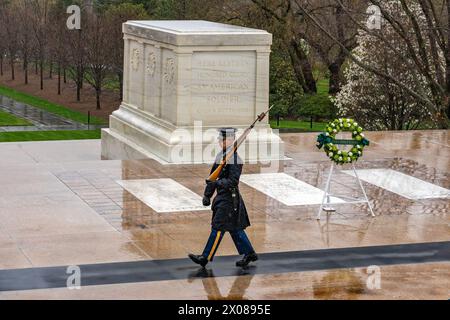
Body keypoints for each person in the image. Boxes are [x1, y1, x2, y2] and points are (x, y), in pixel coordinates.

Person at [188, 128, 258, 268]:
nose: (220, 141)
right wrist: (207, 194)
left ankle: (205, 257)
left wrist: (216, 183)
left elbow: (233, 181)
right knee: (235, 228)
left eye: (223, 139)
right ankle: (249, 253)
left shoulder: (236, 160)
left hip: (229, 199)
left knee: (218, 227)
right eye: (220, 139)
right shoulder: (222, 155)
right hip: (222, 197)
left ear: (231, 140)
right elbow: (213, 175)